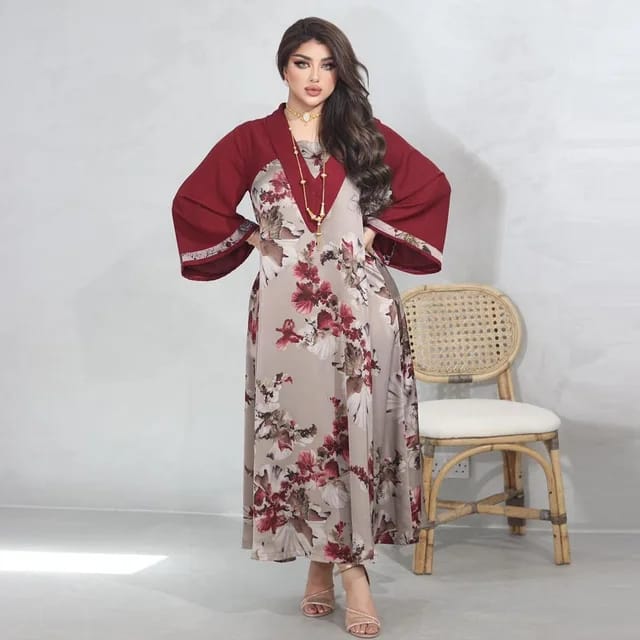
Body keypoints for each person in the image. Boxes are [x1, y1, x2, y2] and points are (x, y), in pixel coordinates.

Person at [172, 16, 451, 639]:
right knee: (303, 437)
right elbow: (194, 202)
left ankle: (348, 572)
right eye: (303, 63)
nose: (315, 77)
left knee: (354, 434)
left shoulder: (363, 134)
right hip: (286, 314)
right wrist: (257, 240)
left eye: (327, 65)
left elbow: (432, 187)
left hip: (362, 307)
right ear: (283, 67)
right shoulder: (251, 139)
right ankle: (326, 565)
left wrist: (371, 234)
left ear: (341, 71)